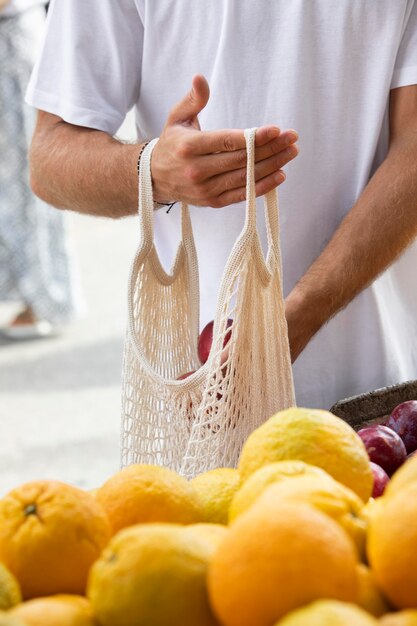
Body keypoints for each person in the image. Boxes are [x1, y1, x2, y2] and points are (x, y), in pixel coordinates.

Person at [25, 1, 417, 409]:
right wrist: (154, 170)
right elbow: (51, 158)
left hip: (384, 390)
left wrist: (294, 321)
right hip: (196, 396)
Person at [0, 0, 82, 339]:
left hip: (13, 49)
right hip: (15, 45)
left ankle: (45, 301)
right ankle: (36, 299)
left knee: (25, 189)